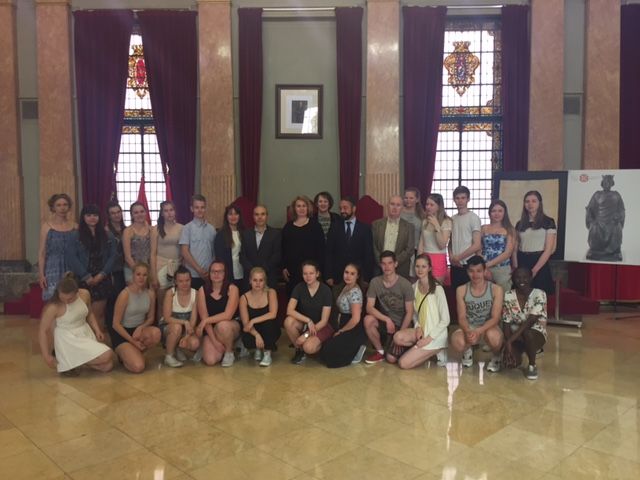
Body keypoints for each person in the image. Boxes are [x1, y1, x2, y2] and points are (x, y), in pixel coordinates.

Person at [38, 273, 113, 376]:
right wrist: (46, 356)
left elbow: (89, 313)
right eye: (63, 298)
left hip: (84, 332)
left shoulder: (85, 294)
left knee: (107, 366)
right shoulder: (53, 307)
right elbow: (43, 331)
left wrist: (97, 330)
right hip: (68, 339)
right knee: (107, 355)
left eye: (70, 299)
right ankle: (69, 360)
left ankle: (71, 362)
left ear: (77, 292)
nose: (66, 301)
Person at [388, 254, 450, 369]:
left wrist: (428, 339)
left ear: (429, 268)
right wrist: (417, 327)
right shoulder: (414, 287)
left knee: (403, 363)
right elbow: (415, 314)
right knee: (397, 337)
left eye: (423, 266)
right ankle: (420, 351)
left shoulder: (437, 289)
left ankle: (438, 349)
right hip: (422, 331)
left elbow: (446, 320)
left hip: (435, 335)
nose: (420, 270)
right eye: (417, 266)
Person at [65, 204, 117, 335]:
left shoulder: (107, 235)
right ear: (83, 217)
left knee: (98, 315)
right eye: (89, 215)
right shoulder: (75, 235)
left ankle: (97, 342)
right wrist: (85, 276)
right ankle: (84, 343)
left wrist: (103, 274)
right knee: (83, 314)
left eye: (95, 215)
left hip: (102, 278)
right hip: (83, 279)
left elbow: (113, 256)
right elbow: (71, 257)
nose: (92, 218)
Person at [450, 255, 503, 371]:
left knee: (494, 337)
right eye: (471, 271)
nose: (475, 275)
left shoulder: (496, 289)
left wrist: (479, 331)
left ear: (485, 271)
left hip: (489, 327)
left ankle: (496, 356)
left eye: (479, 271)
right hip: (471, 326)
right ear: (467, 272)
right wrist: (468, 330)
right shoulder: (461, 290)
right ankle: (467, 351)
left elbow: (495, 318)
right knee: (457, 341)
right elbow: (462, 317)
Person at [363, 251, 415, 364]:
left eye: (390, 263)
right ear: (380, 265)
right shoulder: (375, 282)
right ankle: (380, 352)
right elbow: (369, 307)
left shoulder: (405, 284)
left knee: (391, 359)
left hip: (401, 325)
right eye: (383, 264)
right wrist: (386, 319)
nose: (387, 267)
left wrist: (400, 333)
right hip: (385, 322)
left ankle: (407, 345)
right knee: (368, 320)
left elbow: (410, 312)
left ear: (395, 264)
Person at [111, 262, 161, 373]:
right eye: (138, 274)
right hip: (122, 333)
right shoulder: (125, 294)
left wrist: (141, 326)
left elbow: (151, 318)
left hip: (138, 331)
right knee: (138, 367)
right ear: (132, 275)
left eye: (145, 275)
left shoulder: (150, 294)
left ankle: (135, 353)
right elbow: (115, 324)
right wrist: (133, 341)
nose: (141, 278)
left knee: (156, 333)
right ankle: (125, 354)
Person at [283, 260, 333, 365]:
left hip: (322, 326)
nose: (308, 276)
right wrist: (308, 320)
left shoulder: (325, 290)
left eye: (311, 273)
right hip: (307, 324)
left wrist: (305, 336)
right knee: (288, 321)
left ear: (317, 274)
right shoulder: (299, 287)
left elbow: (324, 321)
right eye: (305, 273)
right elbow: (289, 310)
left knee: (309, 348)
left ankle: (321, 346)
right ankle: (299, 351)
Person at [502, 267, 547, 380]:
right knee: (510, 364)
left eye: (525, 277)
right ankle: (522, 349)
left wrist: (509, 341)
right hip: (516, 336)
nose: (521, 280)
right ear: (513, 279)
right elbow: (506, 322)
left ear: (531, 278)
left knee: (528, 333)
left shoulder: (539, 294)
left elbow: (530, 322)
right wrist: (509, 346)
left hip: (535, 333)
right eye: (517, 277)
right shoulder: (508, 295)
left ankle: (532, 365)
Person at [320, 263, 367, 368]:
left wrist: (341, 331)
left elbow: (355, 319)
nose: (348, 276)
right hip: (342, 323)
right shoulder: (345, 286)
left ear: (357, 276)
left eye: (352, 274)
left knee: (330, 352)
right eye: (346, 272)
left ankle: (357, 348)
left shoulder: (355, 292)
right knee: (324, 350)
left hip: (352, 327)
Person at [196, 260, 240, 367]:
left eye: (220, 271)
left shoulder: (232, 289)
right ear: (209, 273)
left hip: (230, 325)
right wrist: (214, 341)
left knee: (223, 325)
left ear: (225, 274)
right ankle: (219, 345)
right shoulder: (202, 290)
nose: (216, 274)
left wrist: (206, 320)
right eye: (213, 271)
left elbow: (228, 315)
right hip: (210, 328)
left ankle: (229, 352)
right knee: (210, 360)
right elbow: (204, 316)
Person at [514, 191, 557, 295]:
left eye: (534, 201)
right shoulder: (520, 224)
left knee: (539, 295)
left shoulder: (548, 222)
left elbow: (548, 250)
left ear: (539, 203)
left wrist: (535, 270)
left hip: (539, 261)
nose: (530, 204)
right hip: (522, 260)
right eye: (527, 201)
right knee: (522, 295)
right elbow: (514, 249)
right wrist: (515, 267)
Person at [281, 195, 325, 296]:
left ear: (308, 208)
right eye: (298, 206)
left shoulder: (315, 226)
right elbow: (283, 249)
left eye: (304, 206)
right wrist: (283, 267)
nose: (301, 208)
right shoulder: (288, 227)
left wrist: (318, 269)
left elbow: (321, 250)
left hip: (311, 272)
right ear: (294, 209)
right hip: (292, 272)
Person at [324, 196, 374, 285]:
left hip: (358, 277)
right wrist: (328, 275)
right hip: (338, 276)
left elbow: (368, 254)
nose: (342, 211)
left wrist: (367, 277)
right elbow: (328, 252)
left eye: (345, 208)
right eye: (340, 208)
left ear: (354, 209)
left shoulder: (365, 228)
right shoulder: (334, 227)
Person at [38, 193, 76, 301]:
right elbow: (42, 253)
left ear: (69, 207)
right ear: (53, 207)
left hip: (71, 267)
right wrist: (41, 274)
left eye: (65, 204)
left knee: (71, 300)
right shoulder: (46, 227)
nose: (62, 208)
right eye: (58, 205)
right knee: (52, 301)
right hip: (52, 268)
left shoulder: (75, 226)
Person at [239, 267, 280, 367]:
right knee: (246, 330)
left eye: (261, 280)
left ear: (265, 281)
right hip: (253, 330)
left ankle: (267, 353)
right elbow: (246, 324)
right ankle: (257, 348)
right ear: (250, 281)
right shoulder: (244, 298)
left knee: (268, 322)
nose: (258, 283)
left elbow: (273, 314)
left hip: (269, 329)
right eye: (255, 280)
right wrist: (257, 335)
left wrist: (253, 320)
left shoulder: (271, 292)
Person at [160, 266, 200, 368]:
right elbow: (167, 317)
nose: (184, 283)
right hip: (169, 327)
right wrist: (184, 322)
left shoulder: (196, 293)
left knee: (195, 343)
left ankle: (178, 348)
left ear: (191, 280)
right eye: (181, 281)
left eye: (187, 280)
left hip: (187, 329)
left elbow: (193, 319)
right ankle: (169, 356)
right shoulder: (170, 293)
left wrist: (187, 337)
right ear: (176, 282)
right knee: (177, 327)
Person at [151, 200, 183, 313]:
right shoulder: (156, 229)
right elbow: (153, 254)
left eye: (171, 210)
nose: (169, 213)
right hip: (161, 267)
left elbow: (184, 251)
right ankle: (161, 326)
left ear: (175, 212)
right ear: (162, 213)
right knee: (161, 301)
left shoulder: (181, 228)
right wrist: (154, 276)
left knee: (175, 299)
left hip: (177, 266)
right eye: (166, 210)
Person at [372, 196, 415, 279]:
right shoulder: (376, 224)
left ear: (402, 208)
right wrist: (382, 262)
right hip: (379, 268)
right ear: (387, 206)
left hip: (400, 268)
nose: (395, 208)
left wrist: (393, 263)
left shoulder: (409, 227)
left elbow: (409, 249)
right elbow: (373, 246)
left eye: (398, 205)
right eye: (392, 204)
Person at [180, 194, 216, 291]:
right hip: (193, 274)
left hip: (209, 275)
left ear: (205, 208)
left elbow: (214, 252)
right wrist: (199, 270)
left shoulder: (212, 229)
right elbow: (184, 251)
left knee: (207, 303)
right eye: (196, 207)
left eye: (202, 207)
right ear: (192, 209)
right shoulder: (187, 228)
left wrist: (210, 270)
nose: (200, 210)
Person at [240, 205, 282, 289]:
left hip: (269, 277)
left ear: (267, 216)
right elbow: (242, 256)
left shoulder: (276, 234)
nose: (260, 217)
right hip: (250, 277)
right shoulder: (245, 234)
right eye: (257, 214)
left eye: (262, 214)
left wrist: (262, 271)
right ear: (253, 217)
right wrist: (253, 271)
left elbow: (277, 255)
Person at [585, 175, 625, 262]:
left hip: (612, 222)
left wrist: (618, 216)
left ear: (611, 184)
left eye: (609, 182)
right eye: (605, 182)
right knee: (594, 227)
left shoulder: (616, 195)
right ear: (602, 184)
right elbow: (590, 208)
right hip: (599, 221)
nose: (607, 184)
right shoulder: (597, 194)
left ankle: (614, 251)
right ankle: (596, 250)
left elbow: (621, 209)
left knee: (616, 227)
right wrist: (591, 219)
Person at [449, 186, 482, 290]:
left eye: (463, 198)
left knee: (469, 296)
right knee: (456, 295)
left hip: (468, 264)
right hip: (455, 265)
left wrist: (459, 257)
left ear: (468, 199)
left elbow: (477, 244)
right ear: (454, 200)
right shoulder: (452, 219)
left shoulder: (473, 218)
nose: (460, 201)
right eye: (457, 198)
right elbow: (450, 242)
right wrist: (451, 257)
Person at [481, 199, 515, 293]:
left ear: (505, 213)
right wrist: (483, 266)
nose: (497, 214)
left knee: (504, 296)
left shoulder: (510, 229)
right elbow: (478, 248)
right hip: (484, 268)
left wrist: (488, 264)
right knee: (486, 295)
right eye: (494, 211)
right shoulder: (483, 228)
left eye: (500, 211)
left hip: (502, 268)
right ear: (490, 213)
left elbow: (508, 253)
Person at [417, 193, 452, 283]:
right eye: (427, 204)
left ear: (439, 207)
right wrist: (418, 261)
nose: (428, 207)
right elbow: (421, 243)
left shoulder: (446, 221)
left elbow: (442, 245)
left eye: (431, 205)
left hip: (438, 257)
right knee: (423, 287)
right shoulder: (425, 221)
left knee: (436, 289)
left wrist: (436, 226)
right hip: (425, 257)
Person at [214, 204, 246, 292]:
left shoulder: (245, 233)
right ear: (226, 217)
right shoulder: (220, 235)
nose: (233, 217)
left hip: (244, 273)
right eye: (230, 214)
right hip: (229, 274)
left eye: (236, 214)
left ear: (239, 216)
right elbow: (219, 258)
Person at [122, 202, 151, 284]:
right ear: (131, 215)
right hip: (132, 269)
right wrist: (138, 272)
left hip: (148, 269)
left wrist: (146, 272)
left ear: (145, 213)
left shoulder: (151, 230)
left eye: (142, 211)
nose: (139, 214)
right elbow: (127, 257)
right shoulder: (127, 231)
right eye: (136, 212)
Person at [401, 187, 425, 276]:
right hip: (402, 250)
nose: (408, 200)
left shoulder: (422, 214)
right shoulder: (399, 213)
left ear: (417, 199)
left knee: (416, 276)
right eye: (406, 198)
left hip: (417, 250)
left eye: (411, 198)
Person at [105, 201, 127, 297]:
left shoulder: (127, 230)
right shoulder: (105, 231)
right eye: (113, 213)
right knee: (115, 297)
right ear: (109, 216)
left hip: (127, 268)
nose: (116, 215)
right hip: (113, 270)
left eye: (118, 212)